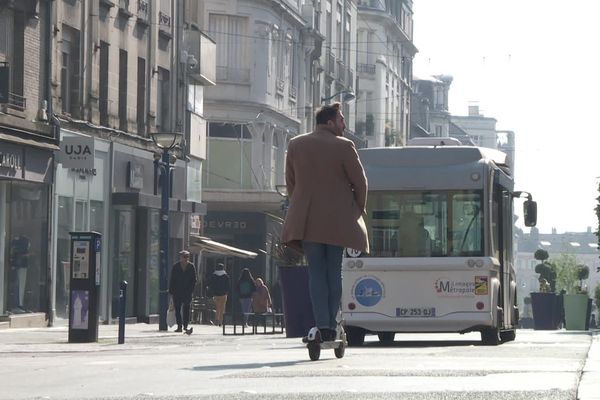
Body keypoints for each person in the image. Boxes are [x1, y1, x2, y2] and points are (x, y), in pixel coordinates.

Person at [281, 102, 369, 342]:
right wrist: (355, 210)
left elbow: (291, 184)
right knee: (334, 273)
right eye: (341, 119)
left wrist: (300, 206)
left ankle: (322, 323)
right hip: (338, 221)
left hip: (307, 221)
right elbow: (361, 183)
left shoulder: (296, 144)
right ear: (329, 122)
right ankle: (332, 323)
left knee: (316, 274)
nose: (344, 123)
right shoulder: (344, 146)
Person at [168, 250, 197, 334]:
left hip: (187, 292)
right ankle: (179, 326)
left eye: (187, 257)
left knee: (186, 309)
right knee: (177, 309)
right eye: (184, 257)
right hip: (177, 291)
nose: (185, 258)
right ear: (180, 257)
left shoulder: (191, 266)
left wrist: (191, 290)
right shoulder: (176, 266)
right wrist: (171, 290)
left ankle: (185, 326)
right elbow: (172, 279)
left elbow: (194, 280)